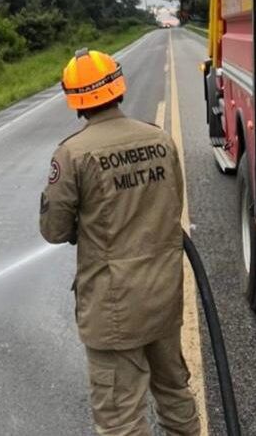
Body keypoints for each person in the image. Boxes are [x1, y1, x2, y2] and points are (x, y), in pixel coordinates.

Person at [39, 48, 200, 436]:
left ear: (75, 99)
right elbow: (173, 204)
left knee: (120, 418)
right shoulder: (160, 140)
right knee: (174, 391)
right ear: (118, 86)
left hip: (114, 308)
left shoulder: (72, 153)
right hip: (163, 295)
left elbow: (55, 230)